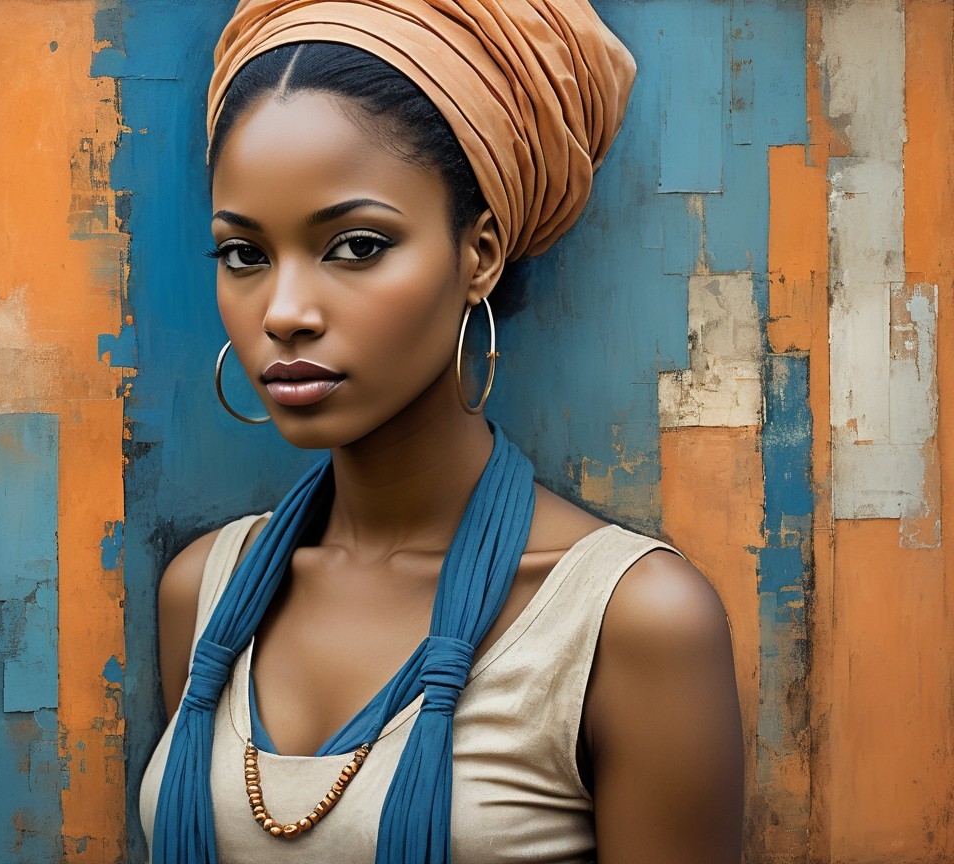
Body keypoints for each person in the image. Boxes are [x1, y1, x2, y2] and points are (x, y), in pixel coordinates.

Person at [140, 2, 744, 862]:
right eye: (245, 255)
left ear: (479, 254)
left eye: (356, 246)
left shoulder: (629, 620)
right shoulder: (205, 593)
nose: (284, 312)